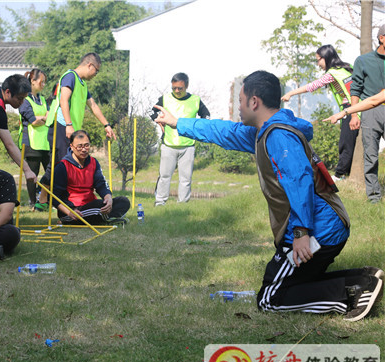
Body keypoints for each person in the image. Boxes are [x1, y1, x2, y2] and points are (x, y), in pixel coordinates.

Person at [154, 70, 383, 322]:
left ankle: (349, 296)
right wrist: (178, 123)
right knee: (291, 283)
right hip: (328, 225)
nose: (239, 107)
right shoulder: (265, 130)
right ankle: (362, 280)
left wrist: (301, 233)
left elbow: (299, 180)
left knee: (270, 299)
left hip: (318, 230)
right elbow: (223, 131)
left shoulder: (278, 135)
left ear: (254, 102)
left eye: (241, 101)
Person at [38, 53, 116, 209]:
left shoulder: (83, 84)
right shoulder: (70, 77)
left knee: (56, 165)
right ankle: (55, 203)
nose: (96, 74)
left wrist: (106, 124)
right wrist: (68, 124)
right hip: (61, 126)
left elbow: (93, 106)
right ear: (89, 65)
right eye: (96, 70)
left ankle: (43, 199)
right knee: (63, 166)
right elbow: (63, 100)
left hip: (70, 129)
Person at [281, 45, 358, 181]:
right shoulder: (347, 67)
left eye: (318, 60)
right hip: (359, 106)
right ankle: (347, 174)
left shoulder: (332, 74)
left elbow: (312, 86)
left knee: (345, 143)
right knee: (351, 142)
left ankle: (340, 175)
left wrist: (291, 93)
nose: (318, 64)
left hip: (351, 109)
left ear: (326, 57)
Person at [149, 72, 210, 206]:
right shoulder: (165, 98)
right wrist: (158, 120)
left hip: (188, 145)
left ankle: (183, 204)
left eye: (180, 88)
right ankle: (160, 202)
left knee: (186, 178)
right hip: (168, 144)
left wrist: (197, 128)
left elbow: (206, 116)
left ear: (186, 86)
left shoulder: (195, 100)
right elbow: (152, 111)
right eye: (174, 88)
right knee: (164, 176)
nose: (176, 91)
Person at [52, 130, 130, 225]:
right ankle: (108, 218)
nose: (84, 149)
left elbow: (101, 184)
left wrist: (108, 198)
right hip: (72, 210)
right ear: (71, 147)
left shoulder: (93, 162)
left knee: (123, 201)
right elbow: (53, 196)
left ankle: (106, 217)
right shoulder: (62, 166)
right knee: (98, 207)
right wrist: (68, 211)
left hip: (90, 205)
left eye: (86, 145)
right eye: (79, 146)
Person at [349, 24, 385, 204]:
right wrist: (354, 115)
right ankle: (374, 197)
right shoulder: (363, 61)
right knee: (371, 155)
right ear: (382, 38)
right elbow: (355, 89)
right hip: (370, 111)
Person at [18, 68, 50, 209]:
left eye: (44, 82)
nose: (43, 84)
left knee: (51, 171)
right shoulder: (25, 100)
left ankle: (43, 197)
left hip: (45, 142)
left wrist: (41, 118)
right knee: (32, 174)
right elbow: (33, 121)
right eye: (41, 82)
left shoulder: (42, 99)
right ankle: (33, 203)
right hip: (31, 143)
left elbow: (49, 117)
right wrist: (42, 118)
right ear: (33, 81)